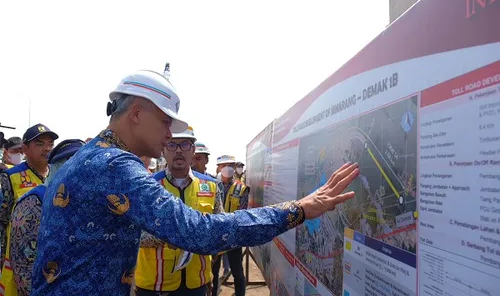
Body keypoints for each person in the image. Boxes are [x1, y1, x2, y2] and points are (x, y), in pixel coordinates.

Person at [31, 70, 359, 295]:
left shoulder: (90, 156)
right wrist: (298, 209)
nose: (169, 136)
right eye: (164, 123)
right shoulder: (115, 164)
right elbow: (199, 232)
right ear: (136, 113)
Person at [134, 126, 224, 296]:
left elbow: (220, 231)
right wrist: (168, 236)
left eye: (185, 145)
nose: (178, 151)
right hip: (154, 285)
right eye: (171, 145)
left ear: (193, 150)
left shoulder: (212, 186)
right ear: (163, 150)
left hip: (197, 283)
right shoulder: (145, 186)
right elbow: (133, 233)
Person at [2, 139, 85, 296]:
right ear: (55, 166)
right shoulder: (35, 201)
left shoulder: (83, 201)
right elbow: (24, 268)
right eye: (69, 162)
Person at [0, 124, 58, 270]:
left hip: (50, 253)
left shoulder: (58, 174)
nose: (47, 148)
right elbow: (2, 220)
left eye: (50, 144)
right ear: (25, 149)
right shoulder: (11, 176)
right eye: (40, 144)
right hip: (20, 258)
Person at [211, 155, 249, 296]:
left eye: (231, 165)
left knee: (237, 272)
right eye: (224, 165)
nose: (228, 168)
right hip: (215, 235)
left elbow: (242, 213)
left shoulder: (241, 188)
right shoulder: (210, 185)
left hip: (234, 236)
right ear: (218, 168)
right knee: (213, 272)